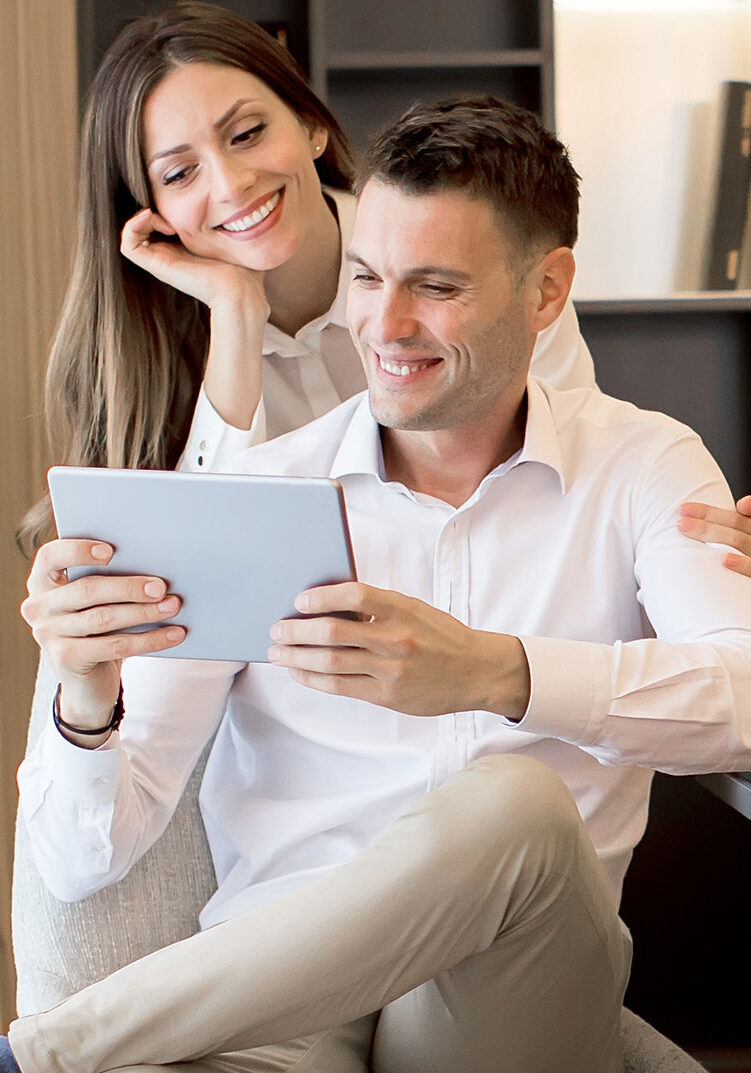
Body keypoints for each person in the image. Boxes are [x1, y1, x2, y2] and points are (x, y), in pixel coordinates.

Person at [9, 93, 751, 1073]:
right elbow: (85, 863)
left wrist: (497, 672)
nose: (386, 325)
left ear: (545, 290)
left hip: (502, 1001)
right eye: (365, 275)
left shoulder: (644, 467)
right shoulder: (261, 492)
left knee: (518, 803)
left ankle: (48, 1059)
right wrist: (86, 693)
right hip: (280, 1013)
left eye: (436, 285)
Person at [16, 0, 594, 556]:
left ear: (310, 125)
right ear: (150, 211)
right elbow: (197, 566)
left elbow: (573, 490)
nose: (230, 184)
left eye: (246, 135)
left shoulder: (485, 277)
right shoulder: (135, 350)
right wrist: (236, 319)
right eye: (180, 172)